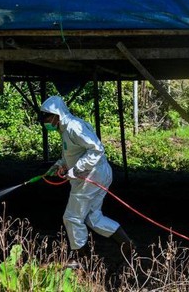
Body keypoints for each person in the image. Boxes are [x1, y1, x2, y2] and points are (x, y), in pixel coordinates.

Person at [40, 95, 134, 267]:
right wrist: (60, 165)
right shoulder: (65, 128)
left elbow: (96, 149)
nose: (44, 120)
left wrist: (75, 170)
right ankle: (127, 245)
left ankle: (80, 260)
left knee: (72, 217)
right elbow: (73, 153)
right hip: (94, 174)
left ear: (56, 114)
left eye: (47, 116)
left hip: (92, 176)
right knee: (93, 217)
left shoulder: (74, 127)